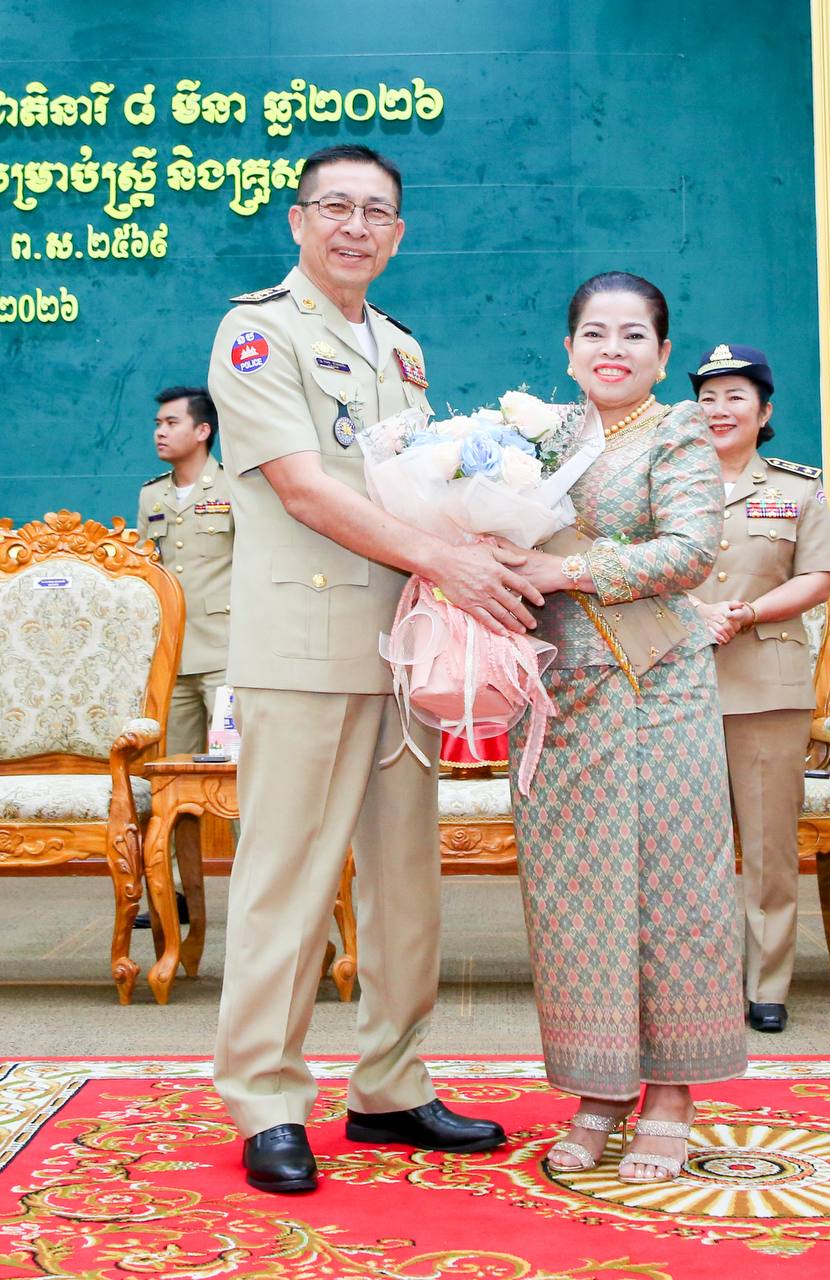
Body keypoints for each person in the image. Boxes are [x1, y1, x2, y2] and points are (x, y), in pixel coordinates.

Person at [207, 144, 543, 1195]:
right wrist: (445, 558)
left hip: (405, 649)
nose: (355, 226)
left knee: (406, 884)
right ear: (298, 219)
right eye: (336, 207)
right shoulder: (258, 331)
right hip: (304, 644)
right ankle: (267, 1099)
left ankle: (391, 1084)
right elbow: (304, 488)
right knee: (289, 882)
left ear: (398, 233)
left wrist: (477, 537)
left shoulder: (399, 346)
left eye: (376, 212)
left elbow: (413, 487)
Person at [503, 273, 747, 1184]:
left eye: (634, 335)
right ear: (569, 350)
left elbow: (690, 552)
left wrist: (567, 571)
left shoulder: (676, 432)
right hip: (557, 698)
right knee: (575, 897)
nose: (613, 349)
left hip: (658, 691)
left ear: (663, 354)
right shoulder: (534, 441)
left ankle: (672, 1094)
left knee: (672, 890)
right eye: (596, 334)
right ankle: (598, 1090)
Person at [688, 345, 830, 1033]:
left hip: (767, 689)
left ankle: (767, 985)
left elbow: (818, 577)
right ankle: (693, 979)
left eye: (735, 398)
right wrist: (693, 614)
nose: (719, 410)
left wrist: (746, 613)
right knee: (682, 846)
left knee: (769, 846)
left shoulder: (798, 489)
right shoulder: (669, 486)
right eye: (707, 398)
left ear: (763, 412)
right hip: (676, 686)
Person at [135, 385, 232, 927]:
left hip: (226, 657)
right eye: (157, 423)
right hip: (171, 660)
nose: (160, 431)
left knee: (240, 779)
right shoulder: (151, 497)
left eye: (171, 422)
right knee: (167, 781)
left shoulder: (235, 488)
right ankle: (168, 891)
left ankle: (262, 893)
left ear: (203, 430)